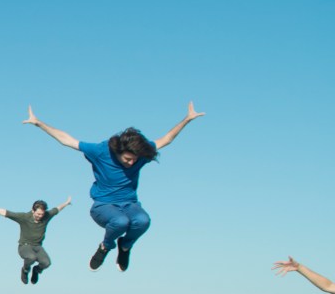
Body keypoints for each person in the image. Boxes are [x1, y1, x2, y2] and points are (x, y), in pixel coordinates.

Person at [24, 103, 205, 271]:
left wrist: (187, 119)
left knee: (143, 221)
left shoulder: (140, 155)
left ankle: (125, 246)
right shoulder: (101, 151)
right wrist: (39, 123)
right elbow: (67, 140)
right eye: (127, 159)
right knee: (120, 222)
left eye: (134, 159)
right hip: (103, 206)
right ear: (118, 152)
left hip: (129, 204)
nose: (131, 162)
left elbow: (166, 140)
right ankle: (105, 247)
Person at [0, 197, 72, 284]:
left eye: (42, 214)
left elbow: (57, 209)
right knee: (31, 258)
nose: (40, 216)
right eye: (38, 214)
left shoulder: (46, 216)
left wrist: (66, 203)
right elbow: (5, 212)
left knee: (47, 263)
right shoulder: (24, 217)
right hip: (24, 246)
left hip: (38, 247)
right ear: (33, 210)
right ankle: (25, 270)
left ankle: (36, 271)